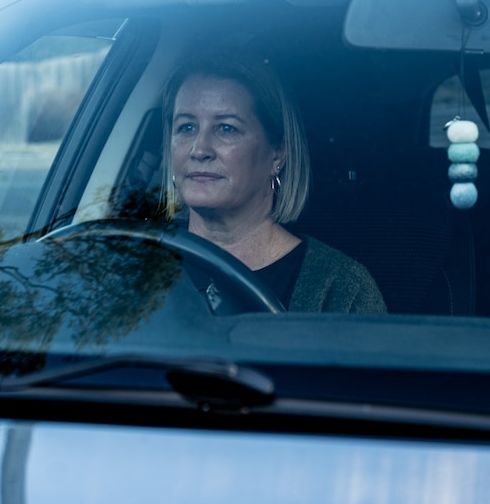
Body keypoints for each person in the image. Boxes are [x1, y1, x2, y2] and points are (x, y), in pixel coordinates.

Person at [162, 52, 386, 313]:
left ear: (277, 153)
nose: (199, 150)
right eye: (187, 128)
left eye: (226, 128)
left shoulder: (340, 289)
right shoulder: (133, 263)